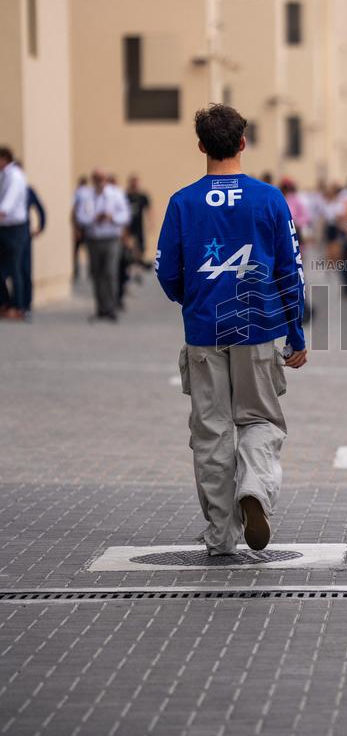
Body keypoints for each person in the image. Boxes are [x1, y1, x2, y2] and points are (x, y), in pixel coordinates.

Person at [156, 104, 307, 555]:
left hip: (204, 328)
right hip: (259, 325)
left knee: (212, 430)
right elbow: (290, 270)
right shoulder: (269, 199)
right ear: (243, 143)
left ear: (201, 145)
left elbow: (166, 271)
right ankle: (255, 490)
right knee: (259, 418)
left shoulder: (182, 202)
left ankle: (221, 534)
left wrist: (192, 298)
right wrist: (295, 333)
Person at [75, 169, 130, 321]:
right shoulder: (86, 195)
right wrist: (94, 218)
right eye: (97, 178)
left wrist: (112, 217)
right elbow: (80, 216)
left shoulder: (116, 194)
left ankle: (111, 308)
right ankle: (100, 307)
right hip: (93, 239)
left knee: (110, 273)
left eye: (102, 178)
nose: (100, 181)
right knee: (97, 273)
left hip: (111, 238)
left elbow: (125, 215)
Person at [0, 147, 29, 320]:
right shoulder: (3, 176)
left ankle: (19, 307)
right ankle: (5, 302)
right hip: (3, 227)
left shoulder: (15, 176)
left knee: (15, 268)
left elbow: (7, 206)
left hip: (15, 227)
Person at [21, 183, 47, 318]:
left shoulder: (27, 190)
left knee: (25, 270)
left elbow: (40, 209)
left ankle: (26, 304)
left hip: (23, 235)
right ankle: (11, 302)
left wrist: (40, 227)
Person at [126, 175, 152, 268]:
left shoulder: (142, 196)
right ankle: (131, 265)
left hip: (139, 225)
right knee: (129, 247)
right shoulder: (126, 196)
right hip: (128, 226)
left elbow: (148, 210)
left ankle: (139, 265)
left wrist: (150, 223)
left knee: (141, 246)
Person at [71, 175, 89, 282]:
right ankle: (90, 272)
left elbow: (74, 208)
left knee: (76, 250)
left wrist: (75, 227)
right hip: (88, 225)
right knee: (88, 250)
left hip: (80, 224)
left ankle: (76, 271)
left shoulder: (78, 192)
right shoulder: (90, 192)